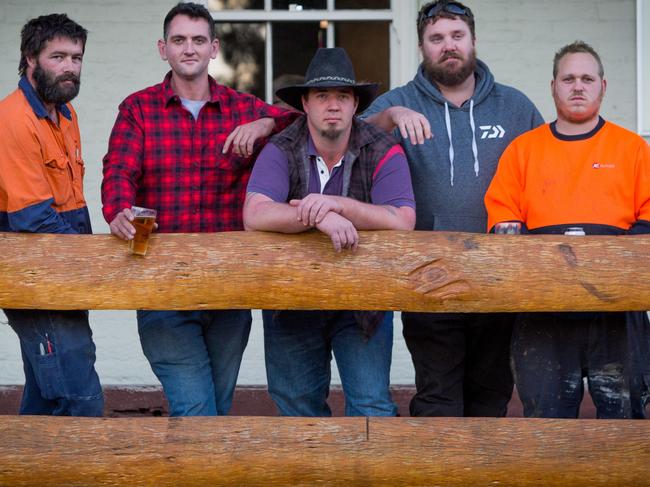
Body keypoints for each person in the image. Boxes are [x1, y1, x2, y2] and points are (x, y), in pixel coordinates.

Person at [101, 2, 296, 417]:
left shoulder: (244, 109)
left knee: (216, 411)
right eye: (178, 40)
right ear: (163, 49)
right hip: (164, 291)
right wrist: (118, 209)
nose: (188, 49)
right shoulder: (138, 109)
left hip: (229, 290)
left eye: (198, 40)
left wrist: (265, 125)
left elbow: (304, 122)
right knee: (196, 412)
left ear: (213, 48)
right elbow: (119, 170)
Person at [362, 0, 543, 417]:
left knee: (490, 397)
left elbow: (543, 175)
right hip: (429, 277)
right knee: (438, 399)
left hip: (499, 280)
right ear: (423, 47)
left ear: (473, 41)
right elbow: (346, 142)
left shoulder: (515, 107)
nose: (448, 46)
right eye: (436, 38)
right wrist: (390, 116)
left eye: (457, 36)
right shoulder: (399, 101)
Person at [243, 48, 416, 416]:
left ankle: (366, 477)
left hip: (362, 301)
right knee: (296, 409)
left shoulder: (382, 147)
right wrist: (315, 216)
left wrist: (339, 206)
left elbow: (402, 219)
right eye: (322, 96)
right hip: (292, 300)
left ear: (356, 104)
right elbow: (255, 214)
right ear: (305, 103)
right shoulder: (281, 147)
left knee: (371, 408)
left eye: (342, 96)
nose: (332, 105)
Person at [485, 41, 650, 419]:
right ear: (554, 86)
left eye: (587, 78)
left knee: (626, 426)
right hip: (544, 314)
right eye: (569, 78)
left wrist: (609, 267)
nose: (578, 86)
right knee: (547, 429)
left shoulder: (633, 149)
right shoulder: (523, 151)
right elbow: (503, 221)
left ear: (603, 87)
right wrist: (551, 270)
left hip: (619, 312)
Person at [0, 14, 103, 416]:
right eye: (57, 56)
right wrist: (96, 260)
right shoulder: (12, 119)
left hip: (62, 258)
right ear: (30, 58)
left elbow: (72, 203)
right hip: (33, 264)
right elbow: (32, 218)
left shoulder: (65, 113)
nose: (70, 67)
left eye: (76, 58)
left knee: (46, 391)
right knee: (80, 396)